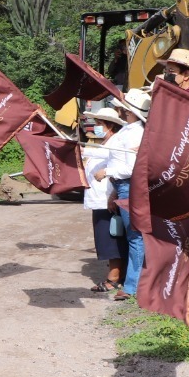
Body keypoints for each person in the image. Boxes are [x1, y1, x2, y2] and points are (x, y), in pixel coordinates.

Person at [95, 89, 151, 301]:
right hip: (123, 186)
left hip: (130, 185)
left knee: (135, 236)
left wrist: (106, 172)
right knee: (132, 236)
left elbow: (132, 167)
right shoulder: (128, 130)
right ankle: (132, 282)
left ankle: (132, 286)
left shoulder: (136, 132)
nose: (119, 109)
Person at [81, 108, 128, 293]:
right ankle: (117, 273)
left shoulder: (115, 142)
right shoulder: (105, 143)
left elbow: (112, 160)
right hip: (99, 199)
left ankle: (114, 277)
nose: (96, 127)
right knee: (107, 238)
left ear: (109, 125)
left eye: (99, 124)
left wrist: (113, 194)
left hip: (107, 199)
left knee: (110, 239)